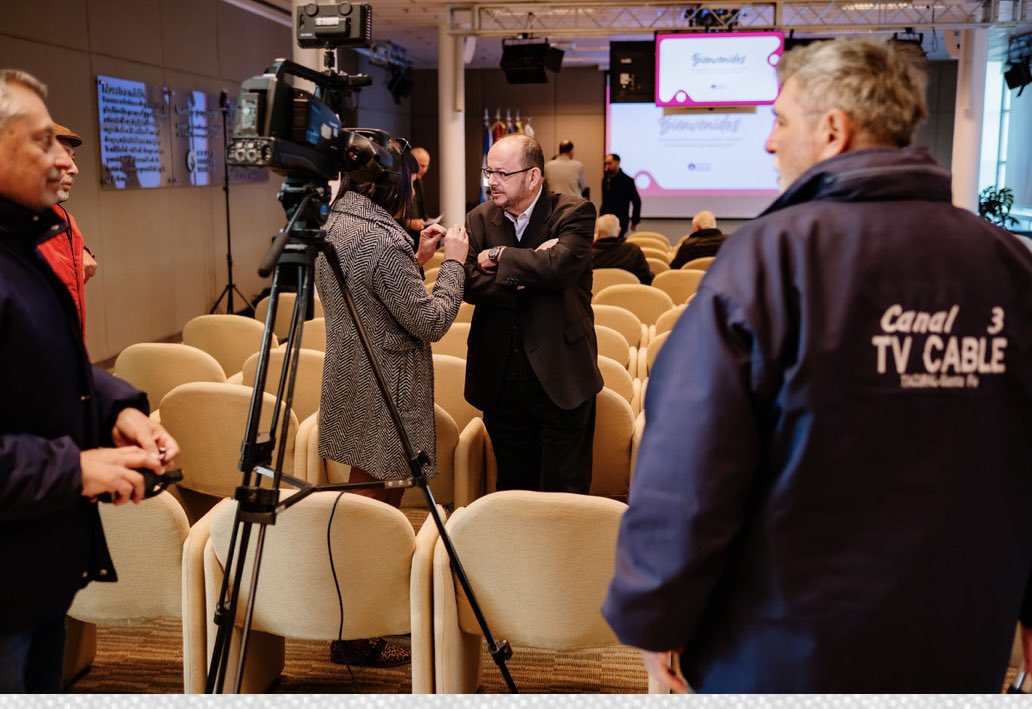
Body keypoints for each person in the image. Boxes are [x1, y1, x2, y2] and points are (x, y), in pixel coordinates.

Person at [602, 38, 1032, 693]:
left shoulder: (764, 262)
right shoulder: (1010, 266)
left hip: (783, 650)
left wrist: (656, 612)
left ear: (833, 129)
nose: (770, 143)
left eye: (779, 120)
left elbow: (691, 465)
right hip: (963, 641)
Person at [0, 68, 180, 693]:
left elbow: (51, 361)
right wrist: (77, 469)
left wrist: (118, 411)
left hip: (36, 564)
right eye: (44, 142)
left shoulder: (27, 243)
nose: (64, 160)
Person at [315, 130, 468, 667]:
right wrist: (452, 263)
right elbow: (429, 322)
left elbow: (372, 297)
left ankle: (349, 621)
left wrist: (416, 260)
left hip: (351, 377)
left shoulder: (335, 224)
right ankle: (358, 632)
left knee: (363, 500)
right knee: (378, 513)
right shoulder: (383, 241)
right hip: (388, 389)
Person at [464, 133, 603, 494]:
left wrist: (497, 257)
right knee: (513, 491)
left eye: (502, 173)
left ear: (533, 176)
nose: (490, 182)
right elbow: (468, 284)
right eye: (488, 172)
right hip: (499, 380)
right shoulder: (478, 219)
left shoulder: (574, 213)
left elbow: (558, 269)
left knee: (566, 494)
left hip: (561, 377)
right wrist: (534, 270)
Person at [37, 123, 98, 339]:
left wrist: (80, 251)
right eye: (62, 157)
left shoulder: (64, 220)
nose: (74, 169)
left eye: (73, 158)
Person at [591, 213, 653, 285]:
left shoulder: (586, 254)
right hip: (629, 295)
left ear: (597, 231)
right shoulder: (633, 251)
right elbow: (646, 280)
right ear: (619, 231)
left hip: (594, 295)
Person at [600, 153, 641, 238]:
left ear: (617, 162)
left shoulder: (627, 181)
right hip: (605, 219)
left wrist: (634, 221)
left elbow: (636, 201)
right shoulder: (605, 179)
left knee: (618, 246)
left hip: (620, 221)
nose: (607, 166)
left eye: (609, 163)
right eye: (606, 163)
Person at [401, 146, 432, 246]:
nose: (425, 170)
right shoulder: (399, 182)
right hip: (402, 236)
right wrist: (408, 222)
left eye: (427, 166)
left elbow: (418, 206)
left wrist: (427, 219)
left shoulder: (419, 181)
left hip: (416, 237)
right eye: (422, 166)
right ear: (412, 163)